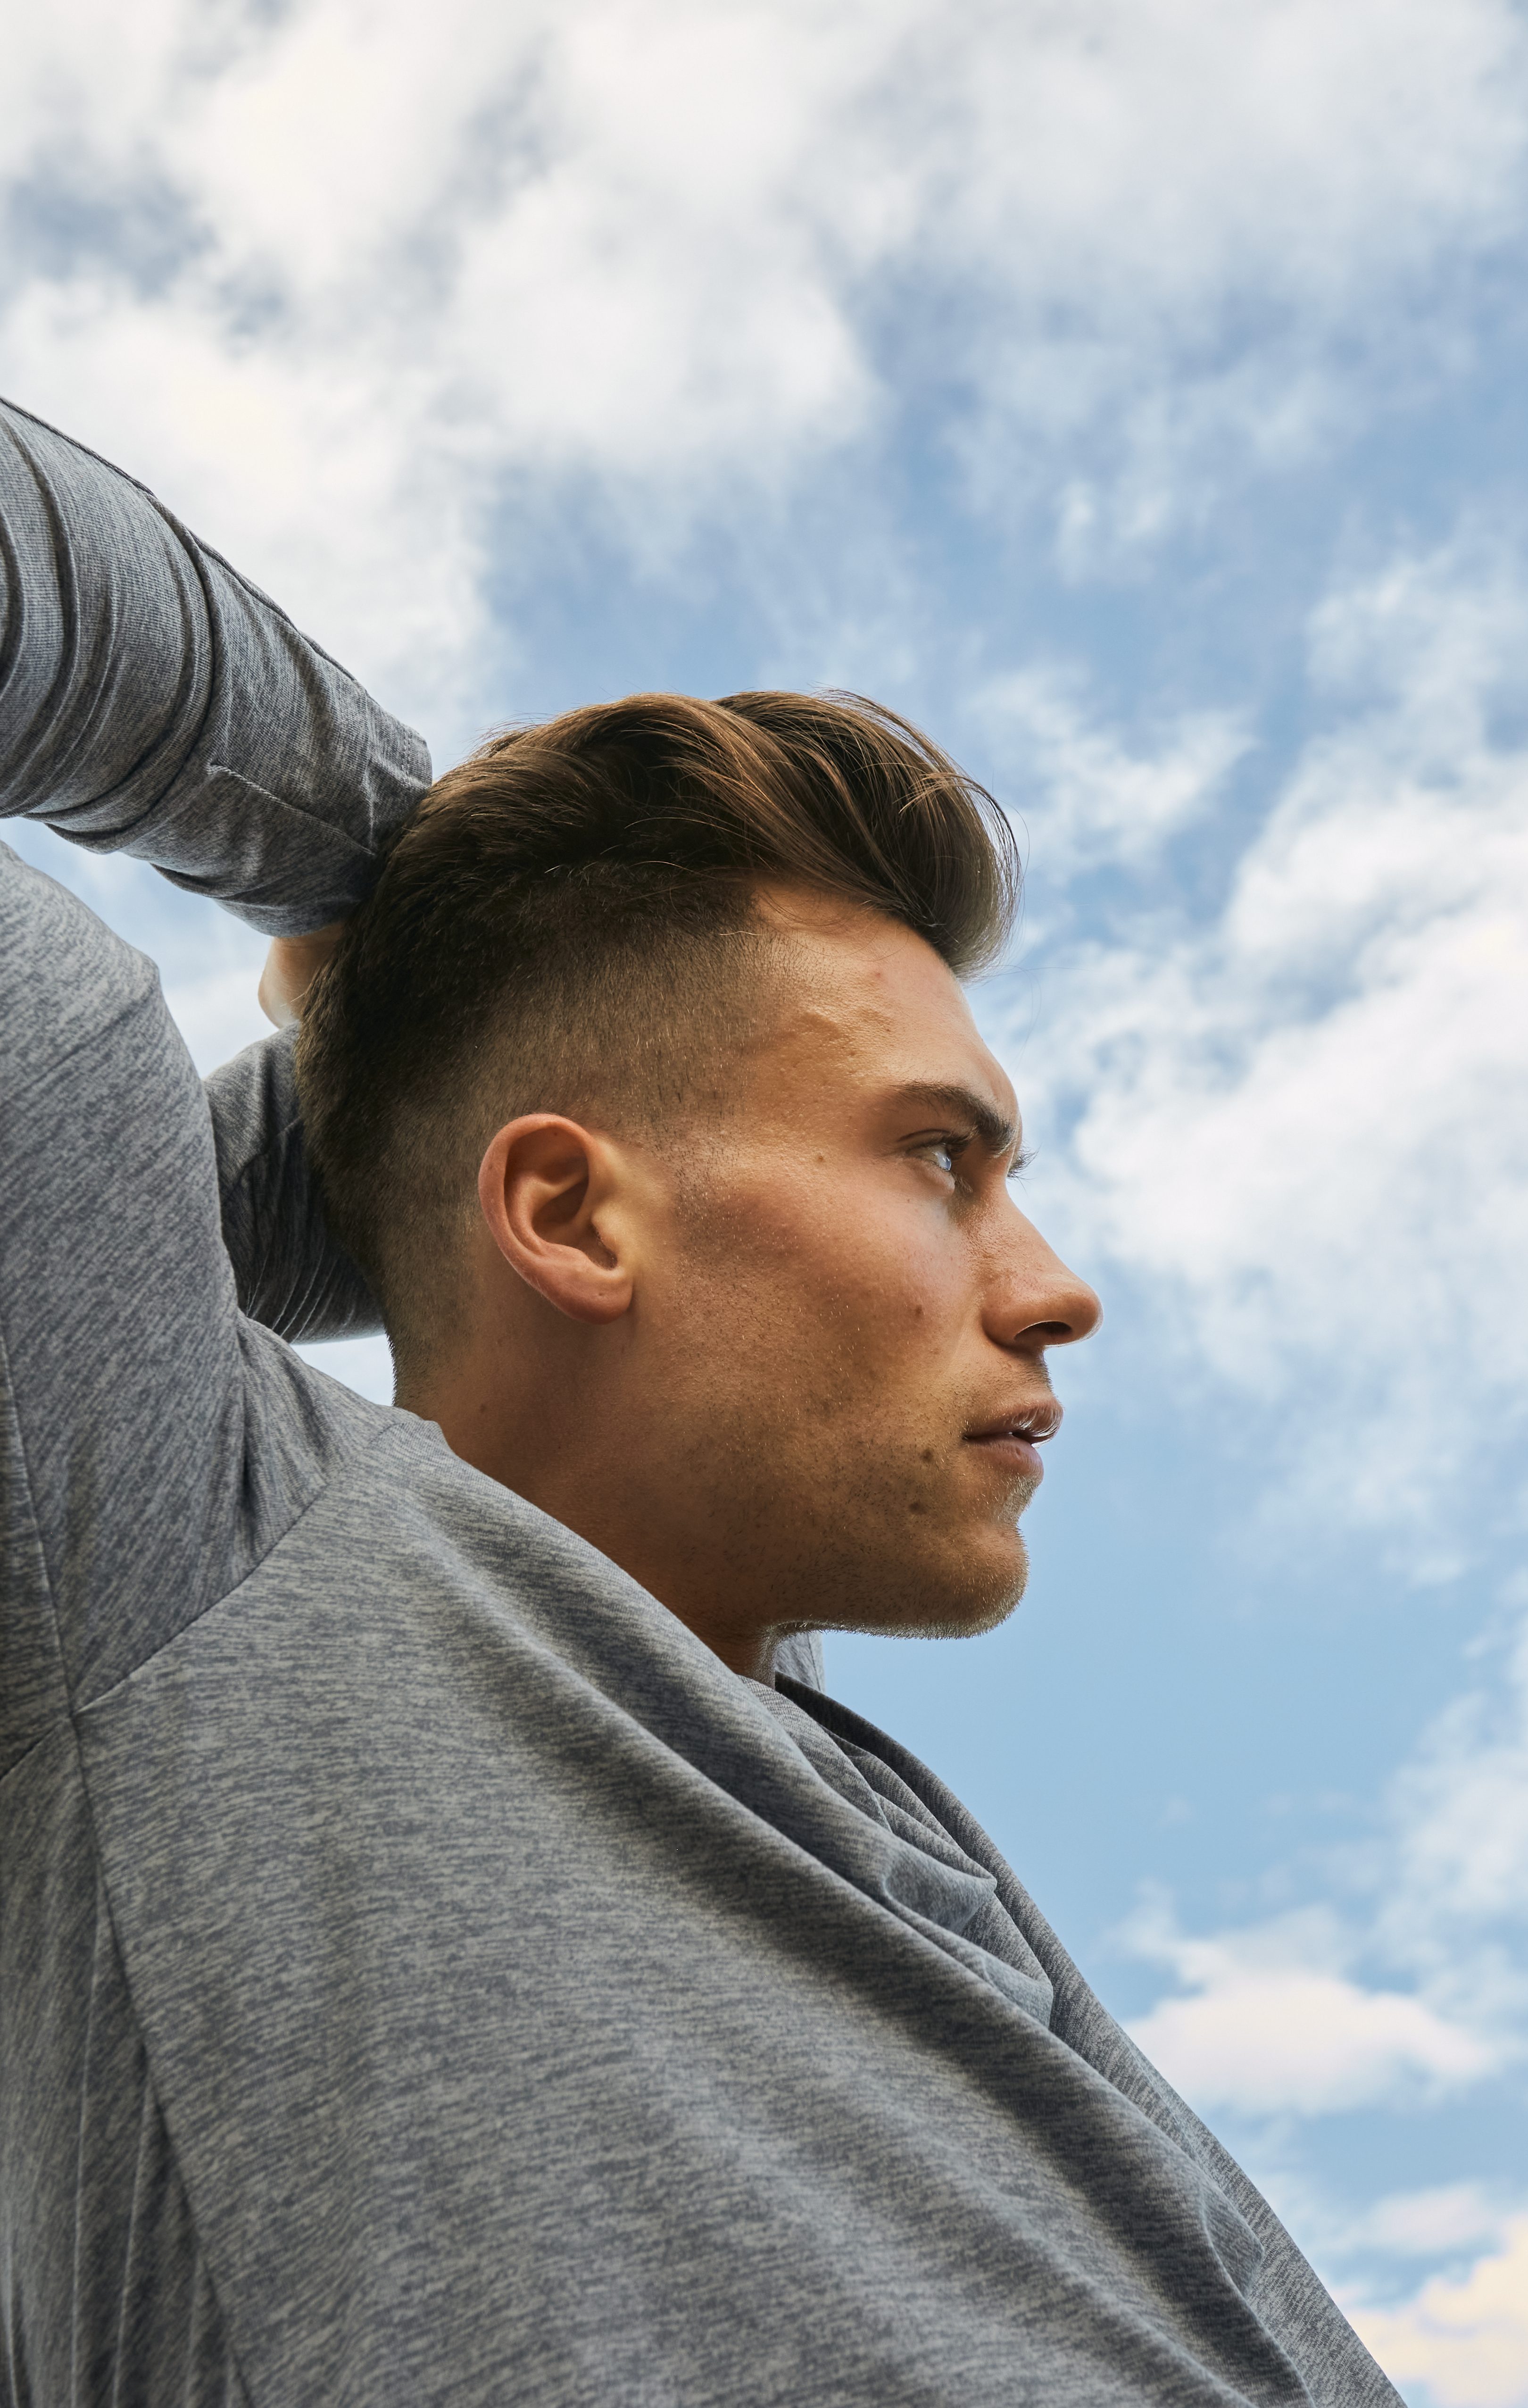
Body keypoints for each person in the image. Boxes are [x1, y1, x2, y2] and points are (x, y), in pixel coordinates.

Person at [0, 395, 1400, 2406]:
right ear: (570, 1208)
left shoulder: (844, 1807)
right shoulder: (186, 1564)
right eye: (940, 1154)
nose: (1058, 1286)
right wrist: (390, 861)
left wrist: (391, 1156)